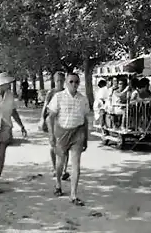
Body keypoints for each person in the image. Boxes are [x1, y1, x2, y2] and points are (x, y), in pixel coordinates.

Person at [47, 72, 90, 206]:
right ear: (66, 83)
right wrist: (51, 136)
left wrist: (86, 139)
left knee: (76, 164)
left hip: (78, 133)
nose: (74, 84)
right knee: (60, 163)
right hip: (62, 133)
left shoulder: (83, 99)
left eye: (76, 82)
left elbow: (85, 120)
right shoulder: (58, 97)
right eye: (71, 82)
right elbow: (50, 118)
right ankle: (58, 184)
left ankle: (73, 194)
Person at [39, 71, 70, 180]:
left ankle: (65, 170)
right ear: (54, 81)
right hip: (52, 121)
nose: (60, 83)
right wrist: (41, 119)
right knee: (53, 146)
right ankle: (54, 167)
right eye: (58, 81)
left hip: (65, 121)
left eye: (62, 81)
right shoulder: (51, 93)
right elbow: (45, 107)